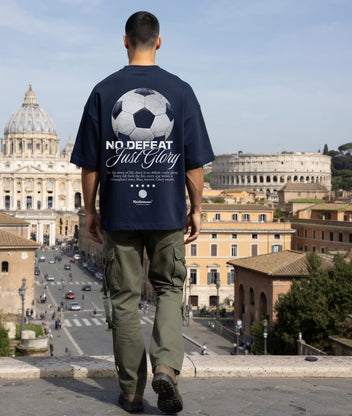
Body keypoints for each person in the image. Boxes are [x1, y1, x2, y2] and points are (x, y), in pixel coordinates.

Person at [70, 11, 214, 414]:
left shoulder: (102, 90)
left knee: (125, 299)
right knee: (169, 288)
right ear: (159, 42)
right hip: (168, 213)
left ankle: (132, 392)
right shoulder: (182, 91)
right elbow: (194, 165)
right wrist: (197, 208)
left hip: (120, 215)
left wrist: (89, 211)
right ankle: (166, 366)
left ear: (125, 41)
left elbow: (90, 166)